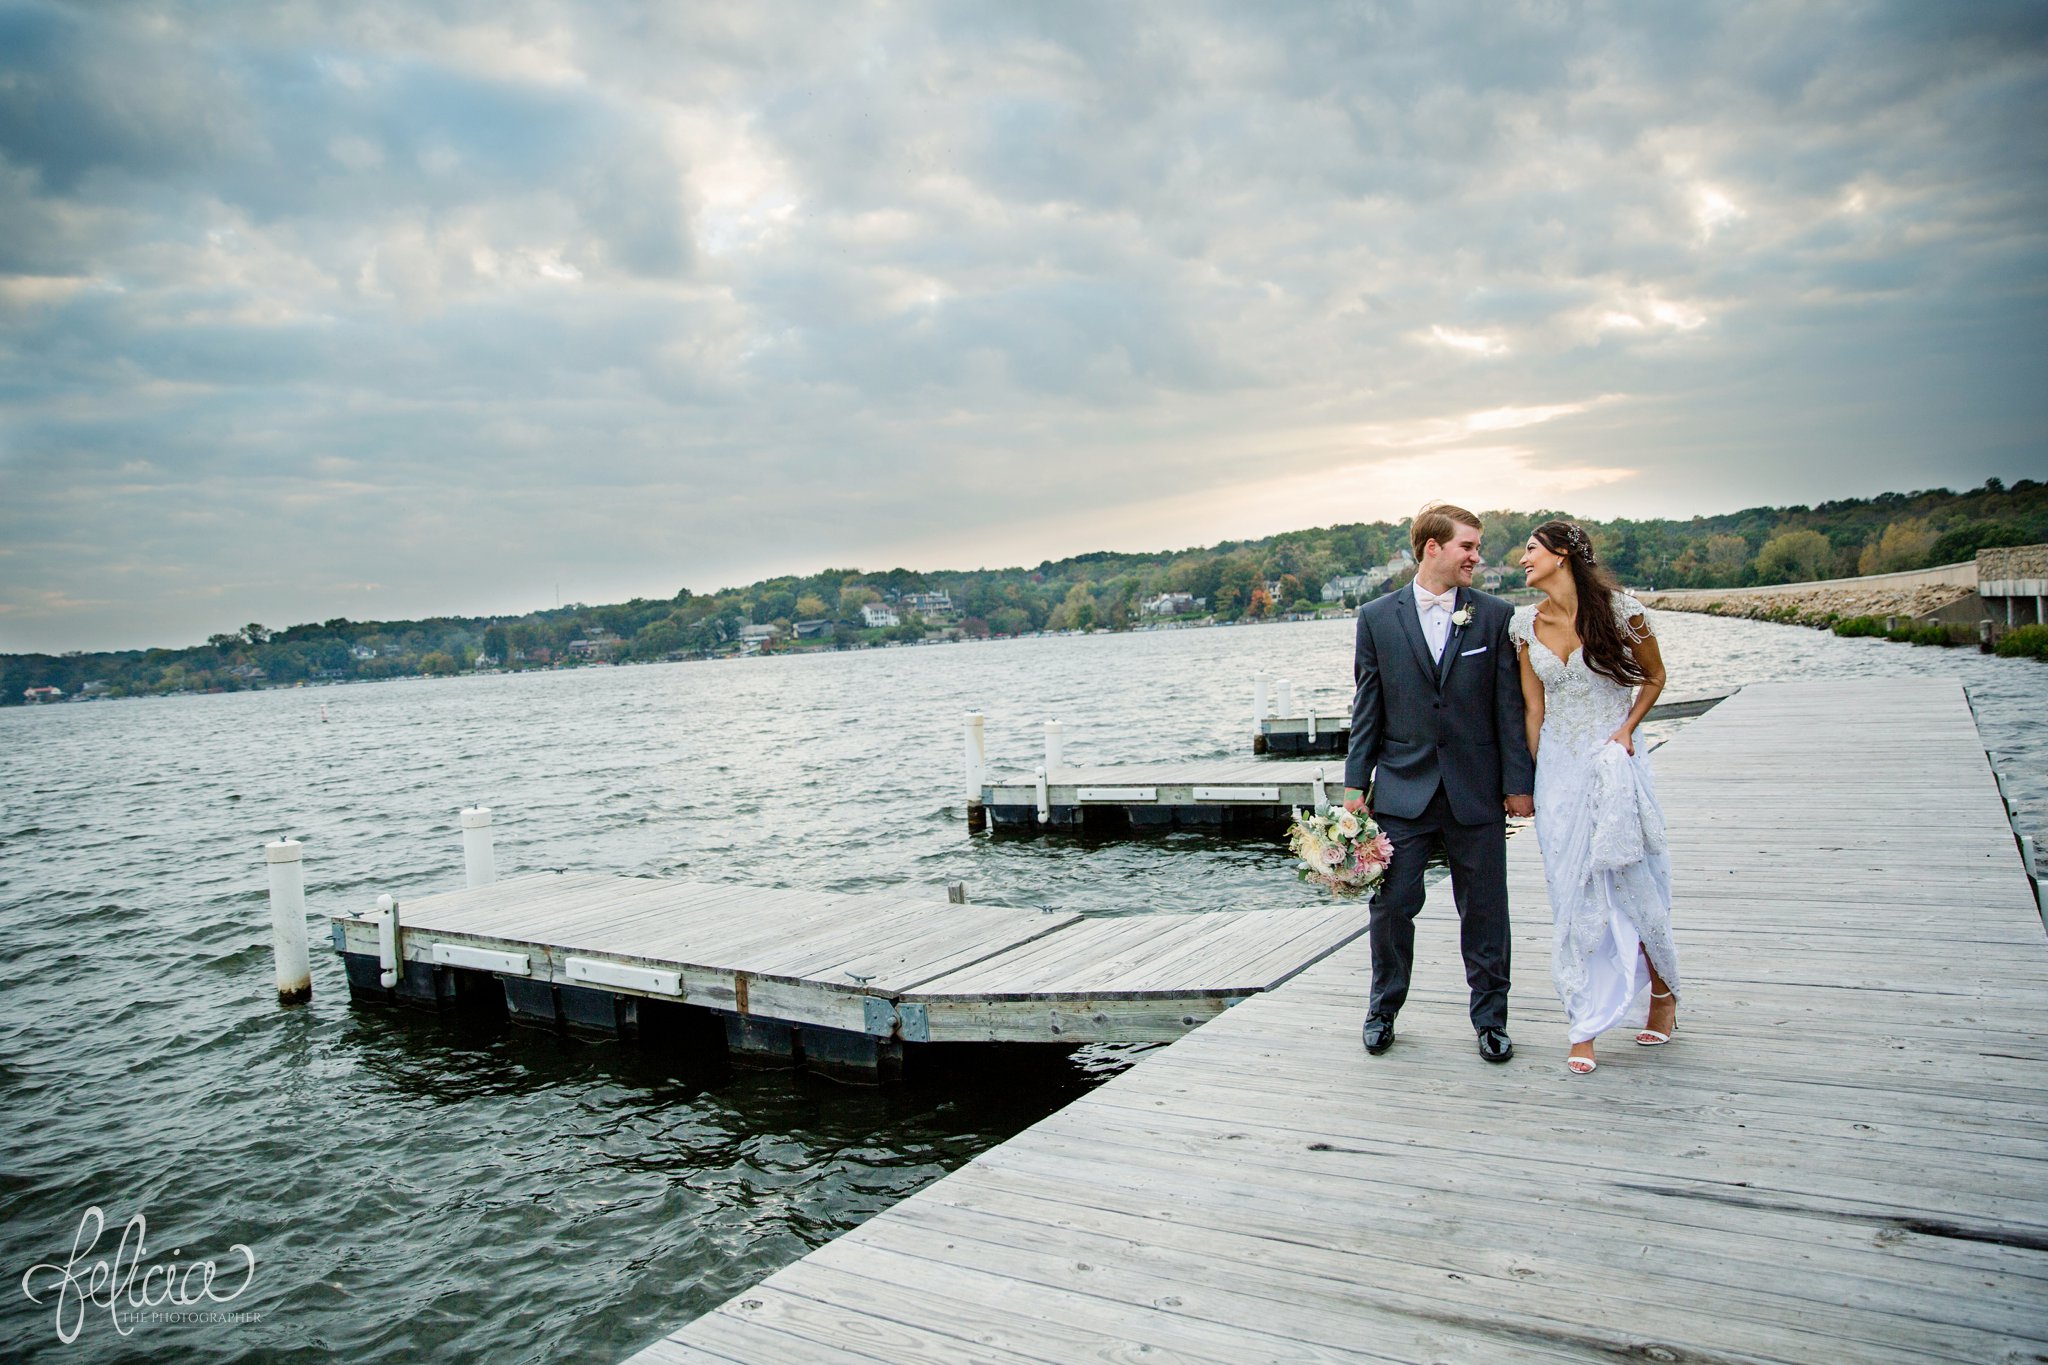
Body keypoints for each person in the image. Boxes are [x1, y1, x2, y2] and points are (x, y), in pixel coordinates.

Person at [1344, 503, 1534, 1064]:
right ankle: (1383, 1009)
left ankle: (1491, 1020)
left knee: (1486, 909)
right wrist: (1356, 786)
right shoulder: (1376, 617)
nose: (1477, 556)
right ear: (1433, 548)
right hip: (1403, 788)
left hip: (1475, 788)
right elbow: (1367, 707)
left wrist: (1517, 783)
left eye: (1477, 547)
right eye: (1468, 547)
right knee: (1392, 905)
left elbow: (1509, 707)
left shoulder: (1495, 615)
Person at [1512, 520, 1679, 1076]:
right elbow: (1533, 710)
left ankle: (1662, 992)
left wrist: (1628, 730)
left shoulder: (1620, 611)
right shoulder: (1524, 626)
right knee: (1571, 895)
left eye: (1531, 550)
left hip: (1614, 763)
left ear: (1561, 555)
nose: (1522, 560)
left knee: (1633, 884)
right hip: (1558, 771)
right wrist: (1533, 781)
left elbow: (1654, 677)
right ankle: (1583, 1021)